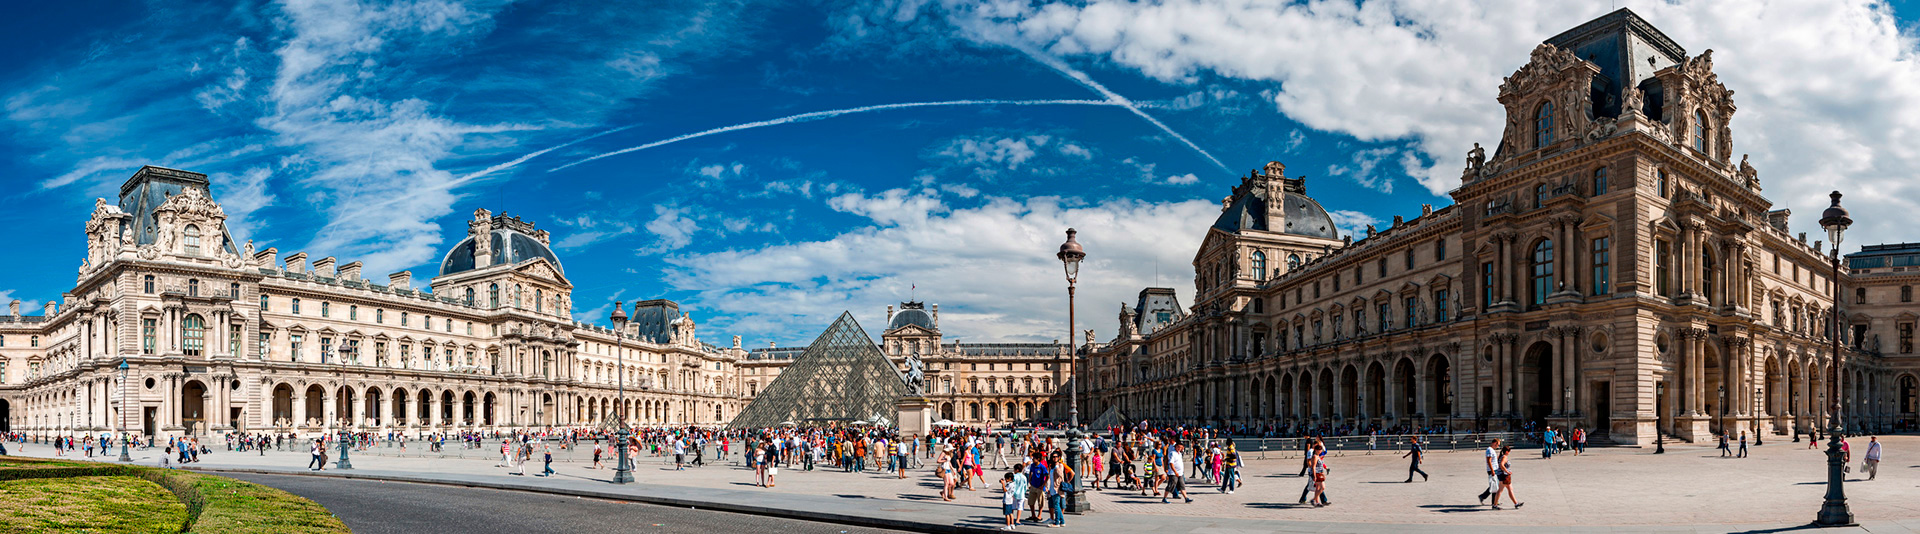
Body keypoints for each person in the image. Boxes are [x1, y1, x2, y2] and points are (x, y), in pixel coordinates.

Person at [1477, 438, 1502, 504]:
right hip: (1492, 470)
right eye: (1498, 445)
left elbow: (1494, 460)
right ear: (1494, 443)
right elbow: (1489, 461)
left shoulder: (1492, 450)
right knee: (1494, 486)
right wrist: (1492, 470)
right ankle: (1493, 502)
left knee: (1494, 485)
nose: (1498, 446)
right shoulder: (1489, 450)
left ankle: (1484, 497)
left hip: (1494, 469)